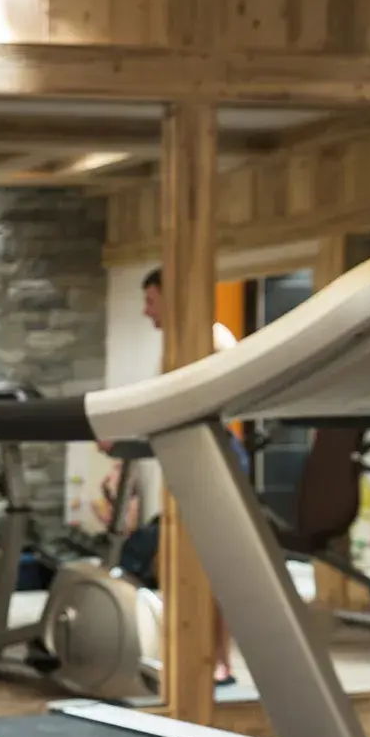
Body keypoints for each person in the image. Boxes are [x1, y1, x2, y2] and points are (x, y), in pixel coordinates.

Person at [127, 265, 240, 685]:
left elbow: (222, 401)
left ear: (171, 297)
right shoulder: (175, 345)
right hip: (188, 454)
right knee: (186, 563)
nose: (145, 311)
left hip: (217, 453)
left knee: (216, 567)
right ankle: (194, 658)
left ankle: (221, 662)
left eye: (151, 300)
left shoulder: (213, 338)